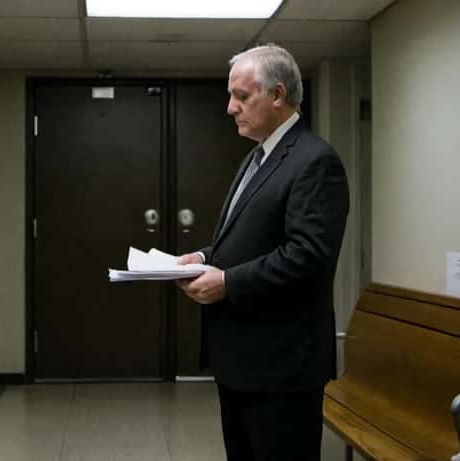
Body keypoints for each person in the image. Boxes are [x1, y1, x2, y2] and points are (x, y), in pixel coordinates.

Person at [176, 44, 350, 461]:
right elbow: (249, 239)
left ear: (277, 94)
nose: (231, 108)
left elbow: (308, 256)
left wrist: (229, 281)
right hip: (243, 359)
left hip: (282, 365)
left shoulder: (314, 161)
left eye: (242, 96)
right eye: (231, 95)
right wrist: (202, 259)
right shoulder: (257, 158)